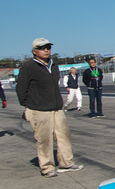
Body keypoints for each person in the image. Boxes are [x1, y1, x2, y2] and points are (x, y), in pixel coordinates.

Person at [16, 38, 83, 177]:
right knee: (44, 139)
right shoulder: (28, 67)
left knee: (64, 137)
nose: (46, 50)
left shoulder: (54, 64)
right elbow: (21, 88)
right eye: (42, 48)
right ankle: (47, 167)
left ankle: (66, 163)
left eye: (48, 47)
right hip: (39, 109)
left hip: (57, 108)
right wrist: (28, 105)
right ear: (34, 51)